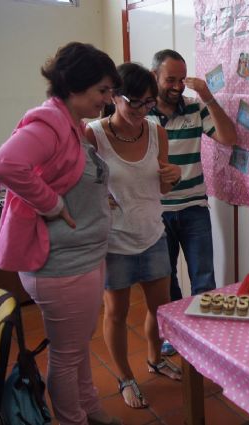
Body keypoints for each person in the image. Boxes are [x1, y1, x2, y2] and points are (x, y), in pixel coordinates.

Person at [0, 42, 122, 425]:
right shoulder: (49, 124)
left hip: (83, 256)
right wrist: (52, 204)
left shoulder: (71, 125)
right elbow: (2, 166)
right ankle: (73, 419)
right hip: (61, 264)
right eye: (102, 90)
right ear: (74, 87)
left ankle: (89, 409)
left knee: (77, 348)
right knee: (66, 356)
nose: (107, 99)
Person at [85, 63, 183, 409]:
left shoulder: (157, 132)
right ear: (114, 97)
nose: (143, 111)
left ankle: (155, 359)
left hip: (152, 232)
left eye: (149, 103)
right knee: (116, 312)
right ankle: (125, 376)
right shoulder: (92, 135)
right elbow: (80, 183)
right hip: (114, 241)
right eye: (135, 103)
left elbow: (164, 184)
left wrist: (174, 173)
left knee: (161, 308)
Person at [147, 50, 236, 355]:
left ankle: (205, 339)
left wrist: (208, 95)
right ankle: (176, 335)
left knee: (203, 277)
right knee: (167, 280)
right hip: (157, 213)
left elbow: (228, 137)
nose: (177, 86)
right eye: (169, 79)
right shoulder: (141, 116)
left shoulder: (195, 108)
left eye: (181, 79)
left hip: (194, 206)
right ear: (154, 76)